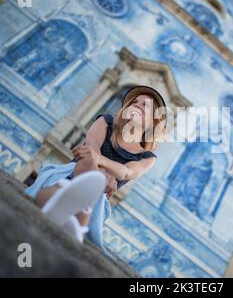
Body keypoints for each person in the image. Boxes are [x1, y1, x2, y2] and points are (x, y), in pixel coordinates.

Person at [25, 86, 167, 247]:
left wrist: (101, 165)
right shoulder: (105, 122)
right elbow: (92, 148)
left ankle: (76, 214)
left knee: (89, 187)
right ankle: (78, 218)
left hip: (99, 197)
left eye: (145, 106)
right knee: (82, 168)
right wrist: (102, 174)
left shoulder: (147, 157)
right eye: (134, 102)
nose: (136, 106)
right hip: (73, 172)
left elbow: (126, 172)